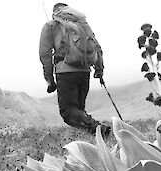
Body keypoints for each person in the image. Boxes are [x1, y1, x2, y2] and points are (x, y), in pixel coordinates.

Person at [39, 3, 111, 136]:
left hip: (65, 73)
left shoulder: (51, 26)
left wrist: (50, 80)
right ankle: (93, 138)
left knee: (68, 112)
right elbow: (97, 48)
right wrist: (99, 70)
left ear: (55, 13)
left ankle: (99, 129)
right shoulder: (83, 25)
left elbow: (45, 55)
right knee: (78, 110)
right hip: (84, 72)